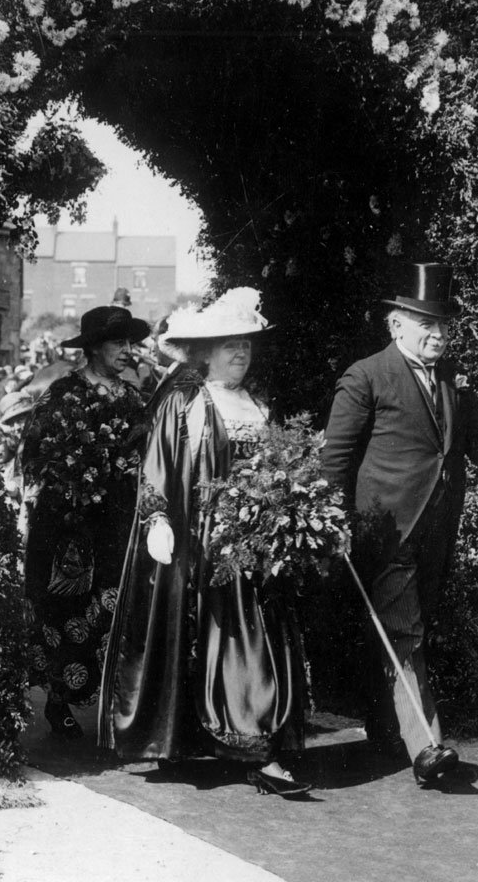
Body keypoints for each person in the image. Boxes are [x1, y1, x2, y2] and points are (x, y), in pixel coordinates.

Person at [321, 263, 478, 785]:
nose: (439, 335)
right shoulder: (365, 376)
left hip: (437, 528)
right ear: (397, 326)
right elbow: (335, 460)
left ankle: (384, 729)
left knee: (406, 628)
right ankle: (426, 746)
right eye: (426, 324)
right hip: (383, 528)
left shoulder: (454, 377)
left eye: (444, 326)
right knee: (406, 633)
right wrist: (331, 520)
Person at [99, 288, 310, 797]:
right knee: (218, 637)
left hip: (257, 543)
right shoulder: (186, 400)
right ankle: (237, 747)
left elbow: (282, 467)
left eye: (247, 346)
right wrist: (157, 519)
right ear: (206, 351)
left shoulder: (258, 404)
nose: (241, 355)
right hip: (204, 541)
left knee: (255, 636)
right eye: (230, 346)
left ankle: (258, 745)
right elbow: (158, 464)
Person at [21, 306, 150, 737]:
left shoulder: (133, 398)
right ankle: (59, 702)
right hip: (70, 527)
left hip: (119, 523)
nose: (127, 352)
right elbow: (34, 454)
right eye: (118, 343)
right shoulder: (63, 394)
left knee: (119, 609)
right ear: (94, 348)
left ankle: (119, 709)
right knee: (68, 609)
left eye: (130, 343)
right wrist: (73, 482)